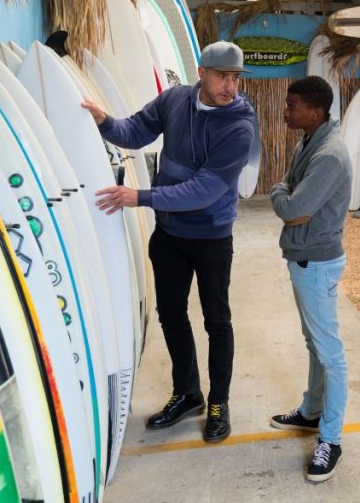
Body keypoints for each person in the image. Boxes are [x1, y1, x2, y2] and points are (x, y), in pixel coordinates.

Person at [82, 41, 256, 443]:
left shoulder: (239, 127)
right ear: (202, 71)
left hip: (211, 237)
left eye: (235, 78)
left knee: (217, 321)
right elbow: (136, 131)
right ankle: (188, 393)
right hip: (170, 236)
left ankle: (218, 402)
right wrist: (104, 121)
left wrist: (141, 198)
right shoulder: (175, 100)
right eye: (222, 76)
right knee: (171, 315)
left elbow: (205, 190)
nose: (230, 86)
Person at [267, 76, 352, 482]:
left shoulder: (330, 155)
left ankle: (330, 439)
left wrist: (281, 196)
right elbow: (288, 188)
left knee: (330, 353)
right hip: (306, 260)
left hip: (316, 264)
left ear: (315, 112)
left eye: (292, 106)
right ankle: (311, 411)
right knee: (315, 343)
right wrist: (285, 193)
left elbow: (294, 209)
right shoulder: (309, 141)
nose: (286, 112)